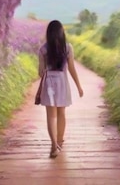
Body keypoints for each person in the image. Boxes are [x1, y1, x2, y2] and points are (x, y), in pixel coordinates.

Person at [38, 20, 84, 158]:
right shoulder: (68, 48)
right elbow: (71, 69)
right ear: (61, 32)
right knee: (61, 114)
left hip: (49, 84)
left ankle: (53, 145)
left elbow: (40, 72)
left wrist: (46, 67)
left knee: (51, 116)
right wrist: (79, 86)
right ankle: (59, 142)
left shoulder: (43, 49)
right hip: (62, 83)